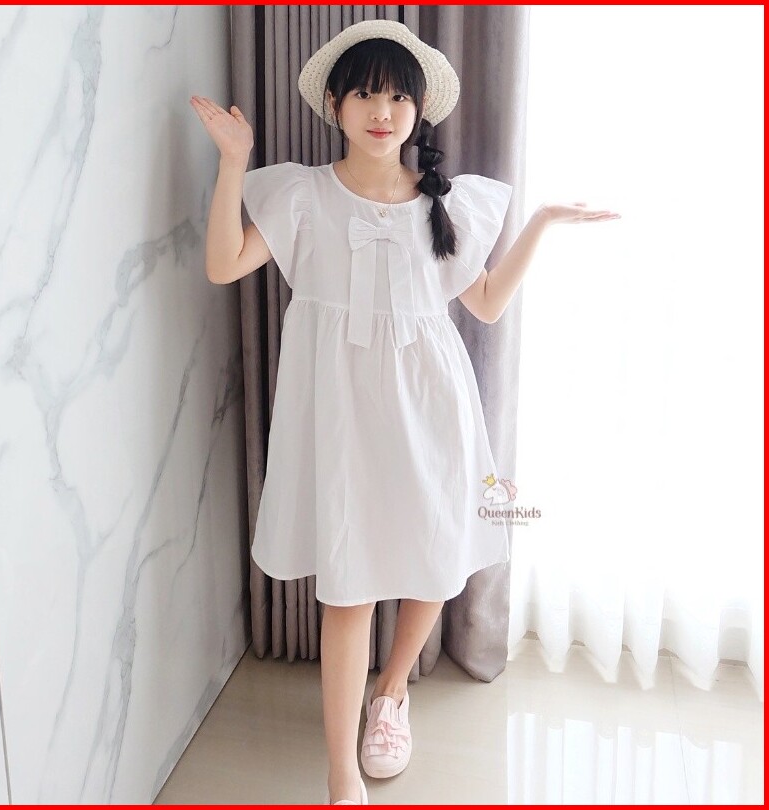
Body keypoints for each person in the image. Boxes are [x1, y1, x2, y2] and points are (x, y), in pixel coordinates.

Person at [190, 19, 620, 806]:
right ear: (334, 103)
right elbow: (223, 265)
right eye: (365, 94)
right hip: (339, 417)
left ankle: (390, 695)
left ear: (419, 110)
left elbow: (485, 304)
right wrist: (232, 163)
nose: (382, 112)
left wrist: (538, 224)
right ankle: (341, 776)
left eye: (398, 97)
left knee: (435, 551)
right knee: (348, 586)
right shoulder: (302, 196)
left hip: (432, 406)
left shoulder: (443, 207)